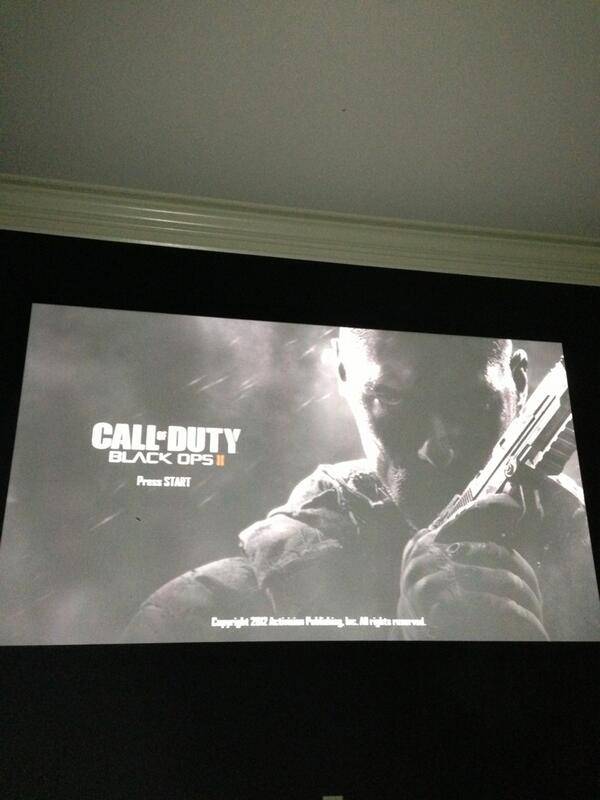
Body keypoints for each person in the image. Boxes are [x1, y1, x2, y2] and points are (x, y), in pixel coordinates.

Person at [122, 328, 600, 642]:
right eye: (392, 398)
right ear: (343, 373)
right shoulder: (201, 613)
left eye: (471, 402)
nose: (439, 448)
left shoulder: (585, 579)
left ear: (520, 381)